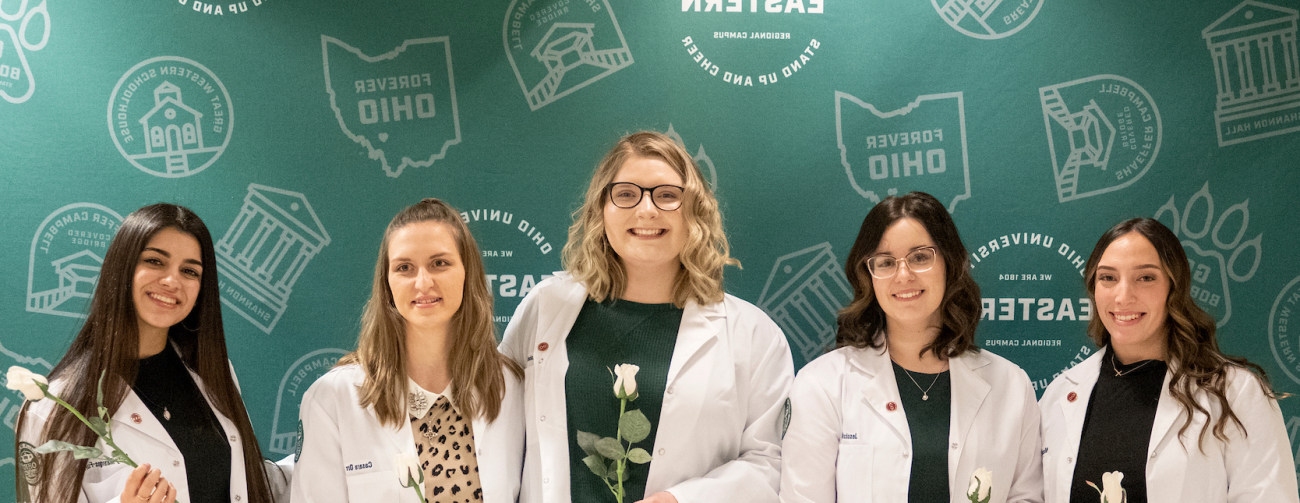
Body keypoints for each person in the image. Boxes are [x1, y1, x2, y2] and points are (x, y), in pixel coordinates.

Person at [499, 131, 794, 503]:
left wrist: (681, 501)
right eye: (625, 194)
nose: (646, 210)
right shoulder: (545, 307)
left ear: (695, 212)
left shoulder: (753, 335)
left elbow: (771, 461)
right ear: (600, 210)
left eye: (667, 195)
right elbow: (496, 430)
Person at [14, 203, 291, 503]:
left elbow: (248, 483)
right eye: (155, 261)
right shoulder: (56, 406)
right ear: (122, 269)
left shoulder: (214, 373)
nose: (172, 281)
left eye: (189, 271)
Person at [780, 192, 1044, 503]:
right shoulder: (821, 384)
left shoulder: (1011, 385)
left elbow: (1025, 496)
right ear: (869, 275)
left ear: (950, 262)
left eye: (920, 257)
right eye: (886, 262)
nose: (903, 275)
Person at [1039, 218, 1298, 503]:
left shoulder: (1235, 394)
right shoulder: (1059, 394)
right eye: (1108, 278)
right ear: (1093, 287)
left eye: (1146, 278)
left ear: (1174, 288)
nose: (1123, 296)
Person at [291, 198, 524, 503]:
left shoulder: (508, 386)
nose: (423, 282)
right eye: (404, 268)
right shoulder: (332, 399)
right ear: (387, 284)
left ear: (467, 273)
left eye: (439, 263)